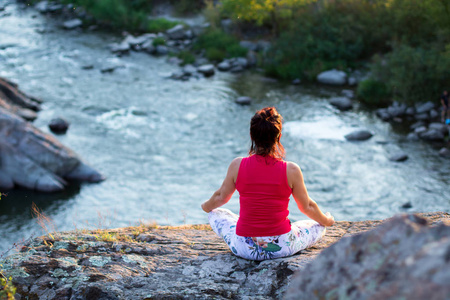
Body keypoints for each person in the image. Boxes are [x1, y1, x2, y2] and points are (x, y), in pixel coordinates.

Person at [201, 107, 335, 261]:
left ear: (252, 135)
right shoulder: (291, 169)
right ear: (279, 137)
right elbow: (307, 206)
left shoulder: (237, 165)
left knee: (217, 213)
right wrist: (327, 221)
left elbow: (220, 197)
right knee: (317, 226)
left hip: (245, 247)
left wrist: (205, 207)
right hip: (282, 247)